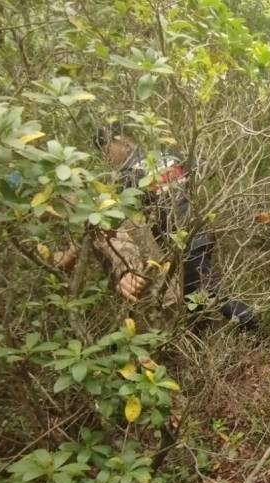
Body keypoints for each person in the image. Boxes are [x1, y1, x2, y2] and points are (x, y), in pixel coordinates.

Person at [54, 124, 257, 331]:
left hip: (181, 239)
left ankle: (260, 335)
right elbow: (205, 167)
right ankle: (204, 341)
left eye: (107, 150)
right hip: (198, 232)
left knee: (210, 291)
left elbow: (110, 217)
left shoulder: (127, 175)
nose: (108, 158)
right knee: (193, 298)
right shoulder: (168, 155)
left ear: (121, 140)